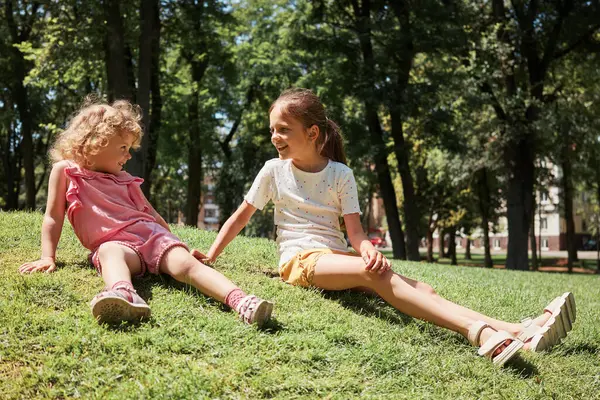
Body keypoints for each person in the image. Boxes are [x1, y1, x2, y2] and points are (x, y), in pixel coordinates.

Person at [196, 88, 575, 366]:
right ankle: (480, 333)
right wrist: (210, 256)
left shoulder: (341, 174)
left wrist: (367, 249)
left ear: (312, 133)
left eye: (283, 129)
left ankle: (519, 331)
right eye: (272, 130)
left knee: (418, 286)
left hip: (337, 255)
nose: (275, 137)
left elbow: (356, 233)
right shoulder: (272, 171)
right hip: (300, 260)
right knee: (373, 274)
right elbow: (241, 216)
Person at [18, 98, 273, 327]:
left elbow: (152, 215)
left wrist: (177, 245)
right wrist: (47, 256)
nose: (128, 156)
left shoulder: (125, 179)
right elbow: (53, 216)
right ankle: (123, 294)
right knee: (109, 252)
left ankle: (241, 301)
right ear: (97, 142)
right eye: (123, 148)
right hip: (116, 244)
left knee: (186, 266)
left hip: (151, 237)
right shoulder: (65, 171)